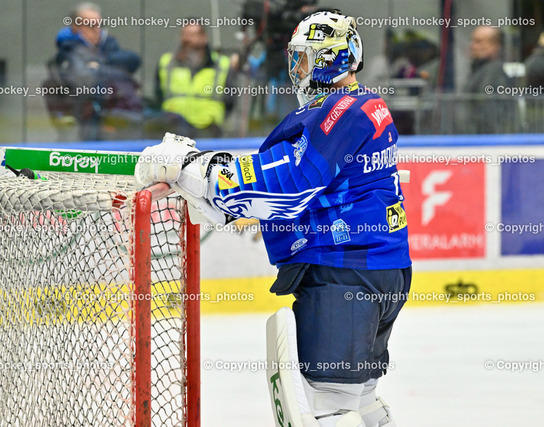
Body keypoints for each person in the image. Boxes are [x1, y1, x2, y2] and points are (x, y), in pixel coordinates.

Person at [136, 10, 410, 426]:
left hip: (345, 273)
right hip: (379, 271)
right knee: (360, 399)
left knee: (330, 406)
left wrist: (190, 168)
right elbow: (310, 183)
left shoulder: (340, 111)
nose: (295, 69)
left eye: (304, 58)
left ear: (330, 59)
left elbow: (287, 184)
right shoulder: (365, 104)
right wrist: (212, 195)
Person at [48, 2, 142, 140]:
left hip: (119, 116)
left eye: (99, 25)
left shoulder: (107, 46)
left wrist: (98, 64)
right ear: (76, 27)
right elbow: (85, 79)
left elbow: (133, 61)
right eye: (91, 26)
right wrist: (111, 69)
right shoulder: (67, 52)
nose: (97, 30)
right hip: (87, 122)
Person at [154, 22, 235, 138]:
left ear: (204, 38)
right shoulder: (166, 62)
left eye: (193, 35)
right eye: (184, 34)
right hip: (172, 131)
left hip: (209, 132)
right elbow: (157, 96)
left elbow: (230, 101)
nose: (187, 39)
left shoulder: (222, 65)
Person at [464, 26, 512, 133]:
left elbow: (489, 112)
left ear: (494, 46)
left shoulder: (493, 72)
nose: (473, 46)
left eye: (479, 42)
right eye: (472, 41)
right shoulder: (478, 70)